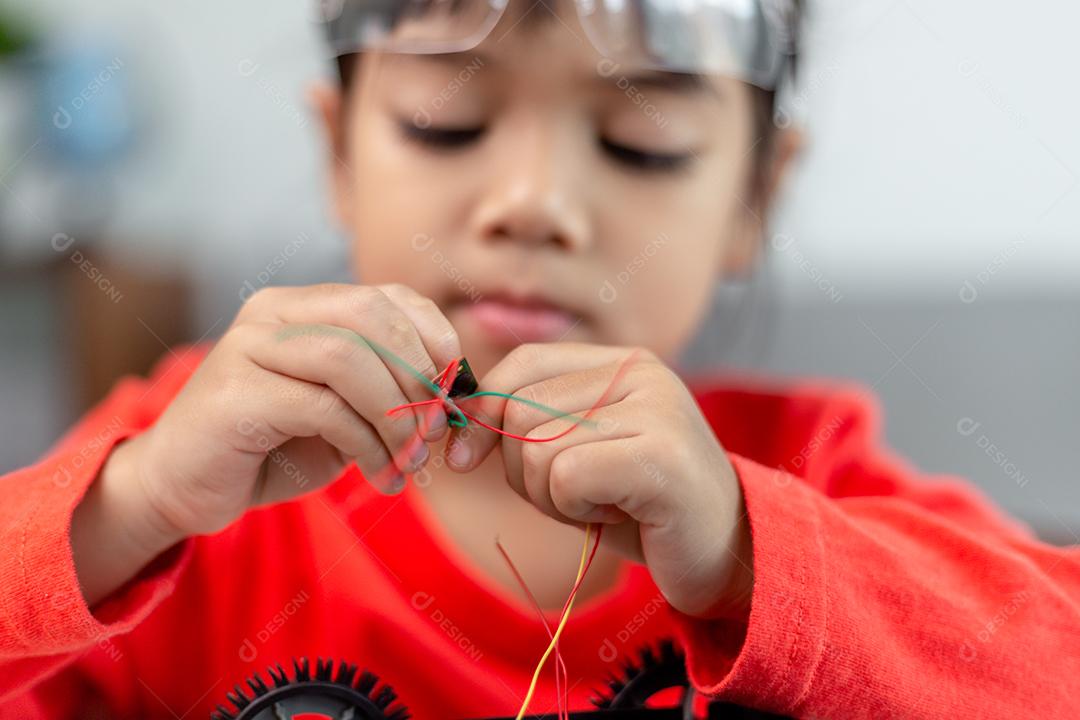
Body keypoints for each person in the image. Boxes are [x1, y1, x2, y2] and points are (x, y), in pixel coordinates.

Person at [1, 0, 1077, 717]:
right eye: (448, 121)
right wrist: (130, 508)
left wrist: (752, 556)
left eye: (639, 141)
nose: (533, 205)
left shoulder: (810, 470)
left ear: (755, 196)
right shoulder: (184, 467)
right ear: (337, 150)